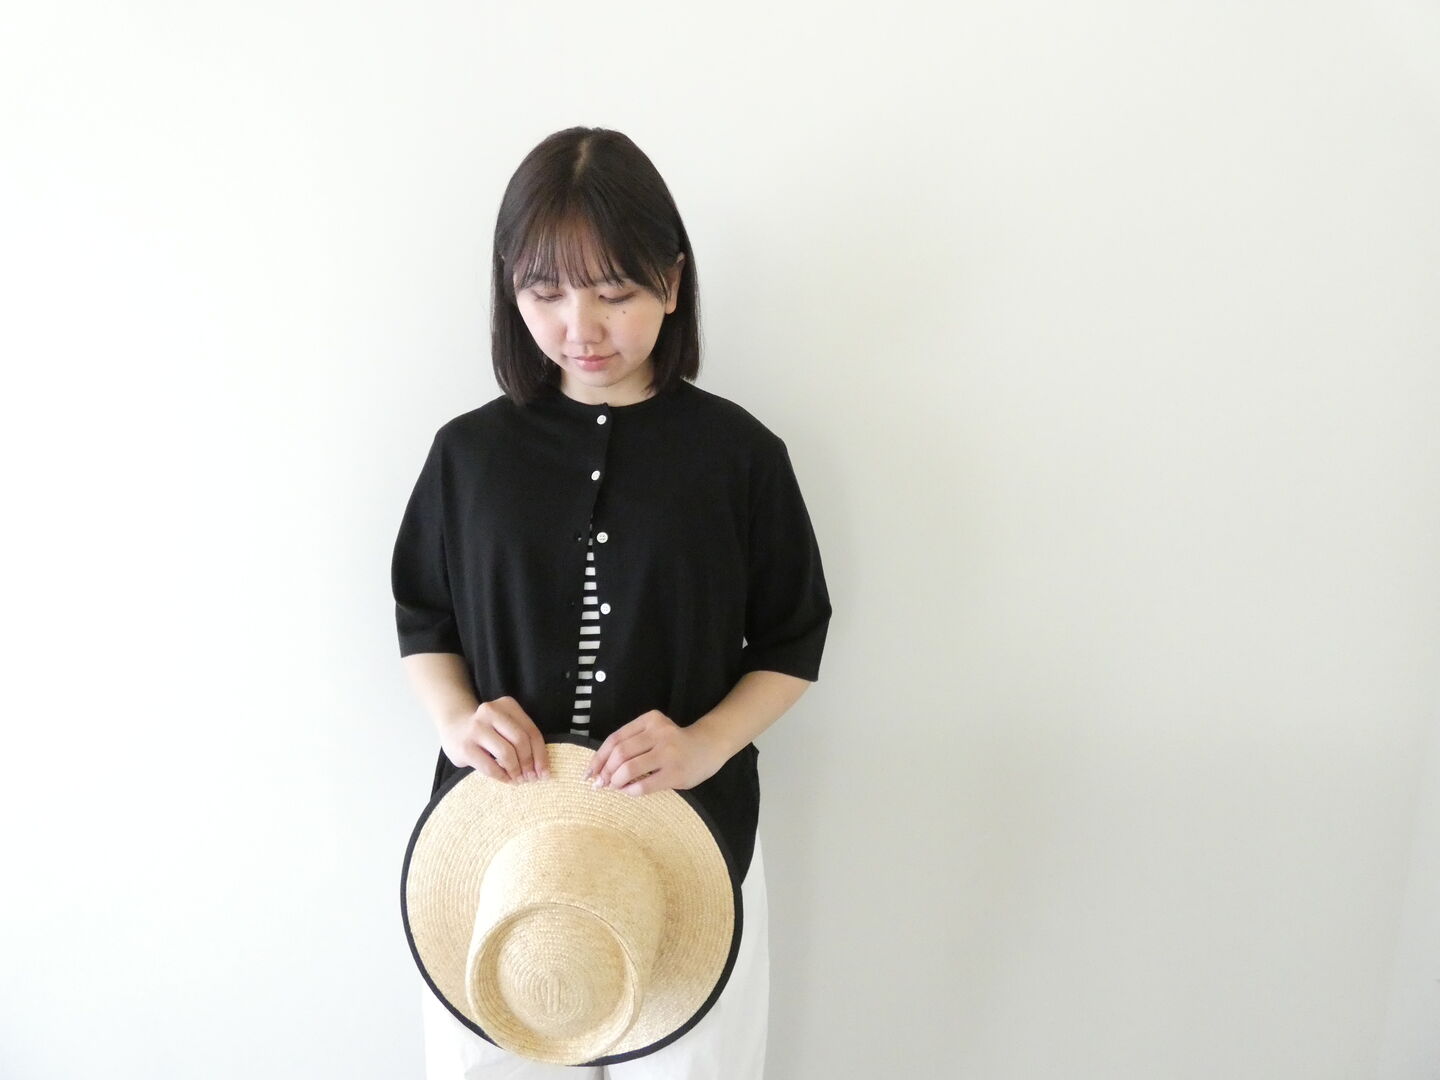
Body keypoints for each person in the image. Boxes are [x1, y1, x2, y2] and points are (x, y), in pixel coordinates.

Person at [391, 126, 832, 1080]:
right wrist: (458, 719)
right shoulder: (468, 456)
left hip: (689, 836)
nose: (580, 328)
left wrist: (705, 743)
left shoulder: (741, 458)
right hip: (496, 844)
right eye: (545, 293)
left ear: (672, 284)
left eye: (615, 292)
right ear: (510, 288)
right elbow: (424, 615)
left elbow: (793, 637)